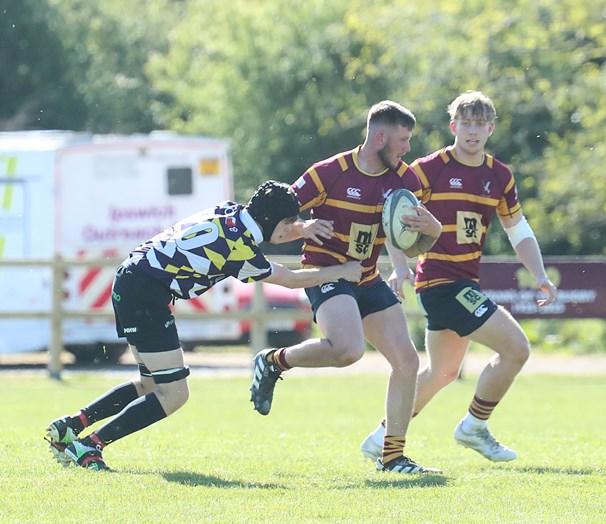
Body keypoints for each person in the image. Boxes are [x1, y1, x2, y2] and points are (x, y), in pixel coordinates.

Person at [45, 180, 363, 471]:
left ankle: (71, 426)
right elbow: (291, 279)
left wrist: (301, 229)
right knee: (174, 393)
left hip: (133, 278)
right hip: (146, 295)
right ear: (273, 222)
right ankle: (90, 445)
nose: (292, 229)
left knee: (152, 384)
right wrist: (342, 271)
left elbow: (267, 232)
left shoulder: (230, 211)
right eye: (288, 224)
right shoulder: (240, 247)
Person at [360, 91, 557, 463]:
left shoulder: (499, 175)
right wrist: (399, 267)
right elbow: (392, 214)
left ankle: (380, 438)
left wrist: (540, 274)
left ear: (491, 129)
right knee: (516, 348)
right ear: (453, 126)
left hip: (465, 282)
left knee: (442, 373)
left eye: (480, 124)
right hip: (440, 283)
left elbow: (518, 228)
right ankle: (474, 427)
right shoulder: (429, 169)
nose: (473, 131)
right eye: (466, 123)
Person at [249, 100, 444, 474]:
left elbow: (409, 244)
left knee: (408, 361)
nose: (408, 149)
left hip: (366, 277)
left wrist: (431, 232)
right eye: (403, 140)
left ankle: (392, 457)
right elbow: (270, 224)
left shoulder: (406, 181)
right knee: (349, 350)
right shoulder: (329, 173)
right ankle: (273, 361)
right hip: (326, 274)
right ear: (380, 137)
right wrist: (302, 228)